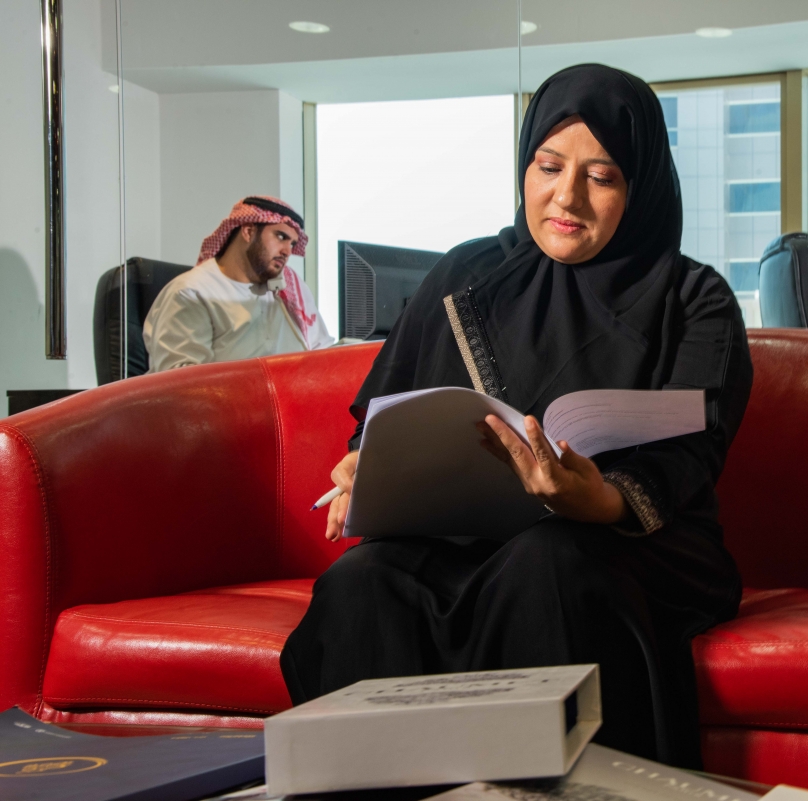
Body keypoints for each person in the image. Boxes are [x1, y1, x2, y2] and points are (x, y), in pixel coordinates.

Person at [281, 64, 752, 768]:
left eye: (601, 176)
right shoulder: (465, 274)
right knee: (362, 583)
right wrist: (366, 464)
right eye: (549, 166)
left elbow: (690, 454)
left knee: (547, 561)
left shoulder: (694, 298)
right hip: (460, 539)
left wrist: (595, 497)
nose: (566, 197)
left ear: (640, 185)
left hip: (630, 545)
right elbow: (387, 405)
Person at [143, 196, 333, 372]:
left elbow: (321, 351)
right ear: (248, 232)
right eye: (281, 237)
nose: (287, 251)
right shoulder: (192, 292)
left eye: (292, 244)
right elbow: (181, 383)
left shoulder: (290, 289)